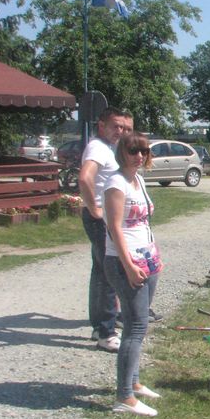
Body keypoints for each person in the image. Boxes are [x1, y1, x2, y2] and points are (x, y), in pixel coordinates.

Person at [103, 132, 163, 417]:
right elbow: (114, 228)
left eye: (143, 151)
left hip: (147, 257)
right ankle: (124, 396)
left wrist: (153, 256)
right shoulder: (116, 182)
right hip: (124, 260)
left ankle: (134, 381)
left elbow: (142, 221)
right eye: (133, 151)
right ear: (122, 153)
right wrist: (128, 265)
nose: (139, 156)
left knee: (139, 323)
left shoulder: (137, 179)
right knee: (134, 326)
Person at [79, 107, 130, 352]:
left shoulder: (106, 147)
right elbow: (85, 177)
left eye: (123, 127)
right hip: (100, 219)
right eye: (115, 126)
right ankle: (106, 331)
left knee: (100, 272)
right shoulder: (98, 147)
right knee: (110, 272)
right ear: (102, 125)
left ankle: (100, 325)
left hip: (103, 218)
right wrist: (94, 208)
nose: (119, 131)